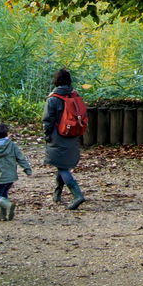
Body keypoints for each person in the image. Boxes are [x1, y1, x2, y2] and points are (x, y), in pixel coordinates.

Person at [43, 69, 86, 210]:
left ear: (56, 80)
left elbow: (47, 120)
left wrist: (47, 136)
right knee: (62, 164)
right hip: (73, 133)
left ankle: (77, 195)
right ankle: (57, 194)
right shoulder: (74, 95)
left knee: (62, 167)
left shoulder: (53, 98)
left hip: (58, 135)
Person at [0, 123, 32, 221]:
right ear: (7, 134)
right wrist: (27, 169)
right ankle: (3, 215)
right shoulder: (12, 145)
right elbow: (20, 158)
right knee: (3, 194)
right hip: (11, 176)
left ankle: (8, 205)